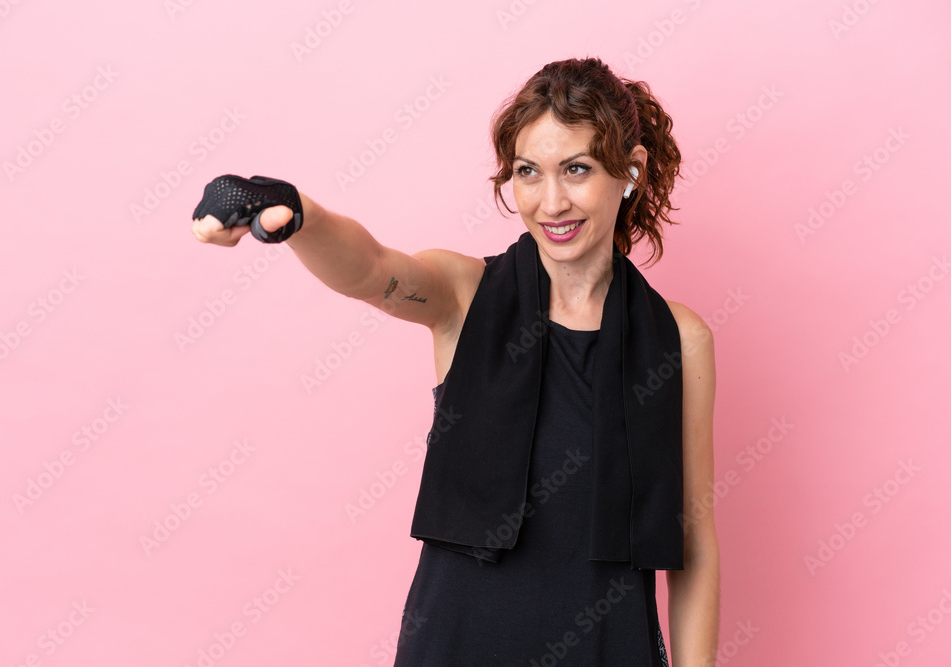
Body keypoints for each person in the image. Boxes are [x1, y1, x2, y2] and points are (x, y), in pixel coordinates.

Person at [192, 56, 719, 666]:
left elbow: (695, 540)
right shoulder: (464, 297)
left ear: (629, 172)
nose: (551, 202)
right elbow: (371, 270)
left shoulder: (679, 339)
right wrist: (294, 210)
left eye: (576, 169)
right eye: (528, 172)